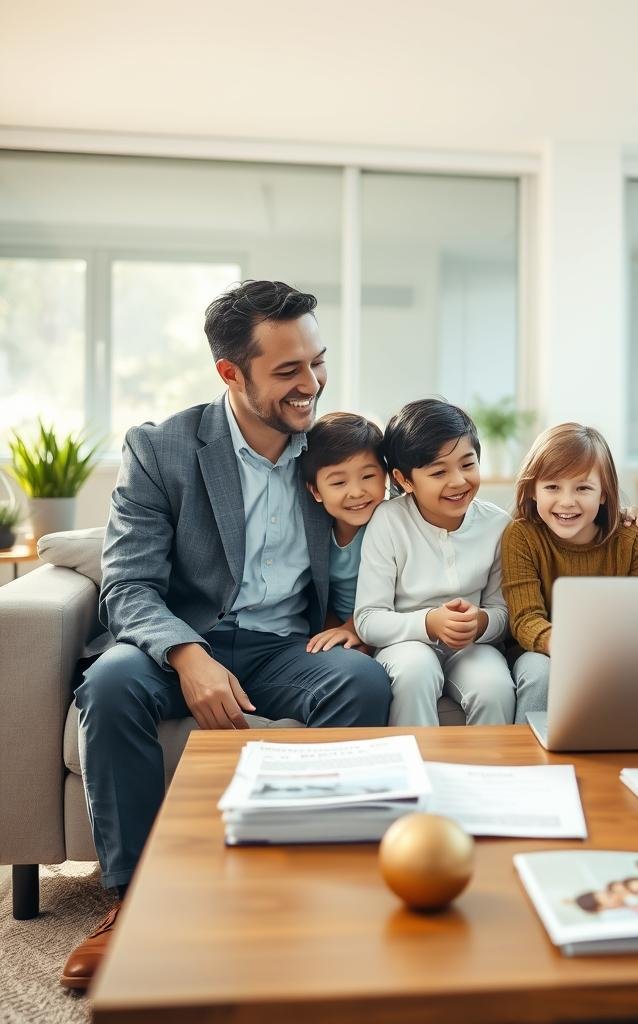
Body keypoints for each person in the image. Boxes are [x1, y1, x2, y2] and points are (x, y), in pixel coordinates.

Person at [62, 280, 392, 991]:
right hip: (182, 637)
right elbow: (129, 585)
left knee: (363, 680)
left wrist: (355, 623)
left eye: (318, 361)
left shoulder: (323, 450)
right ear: (230, 374)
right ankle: (132, 900)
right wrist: (187, 656)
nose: (312, 384)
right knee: (112, 682)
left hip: (283, 647)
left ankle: (316, 887)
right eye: (288, 371)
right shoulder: (161, 450)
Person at [354, 399, 516, 726]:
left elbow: (504, 613)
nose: (458, 481)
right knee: (414, 672)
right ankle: (414, 772)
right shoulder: (388, 521)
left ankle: (490, 774)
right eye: (439, 472)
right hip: (405, 642)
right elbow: (368, 619)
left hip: (472, 646)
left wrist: (482, 622)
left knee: (494, 687)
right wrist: (429, 623)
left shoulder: (498, 525)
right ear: (405, 480)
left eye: (467, 464)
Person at [501, 423, 638, 723]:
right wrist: (563, 643)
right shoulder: (522, 536)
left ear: (603, 494)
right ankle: (528, 763)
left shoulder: (632, 541)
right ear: (533, 490)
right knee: (539, 672)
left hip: (609, 651)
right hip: (538, 651)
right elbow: (525, 619)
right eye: (552, 487)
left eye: (583, 487)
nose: (567, 501)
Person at [301, 412, 389, 654]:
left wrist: (355, 629)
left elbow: (405, 595)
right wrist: (338, 632)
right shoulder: (317, 534)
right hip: (345, 631)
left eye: (368, 476)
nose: (356, 492)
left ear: (386, 476)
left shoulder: (395, 525)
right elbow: (320, 597)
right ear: (316, 491)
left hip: (391, 627)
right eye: (339, 483)